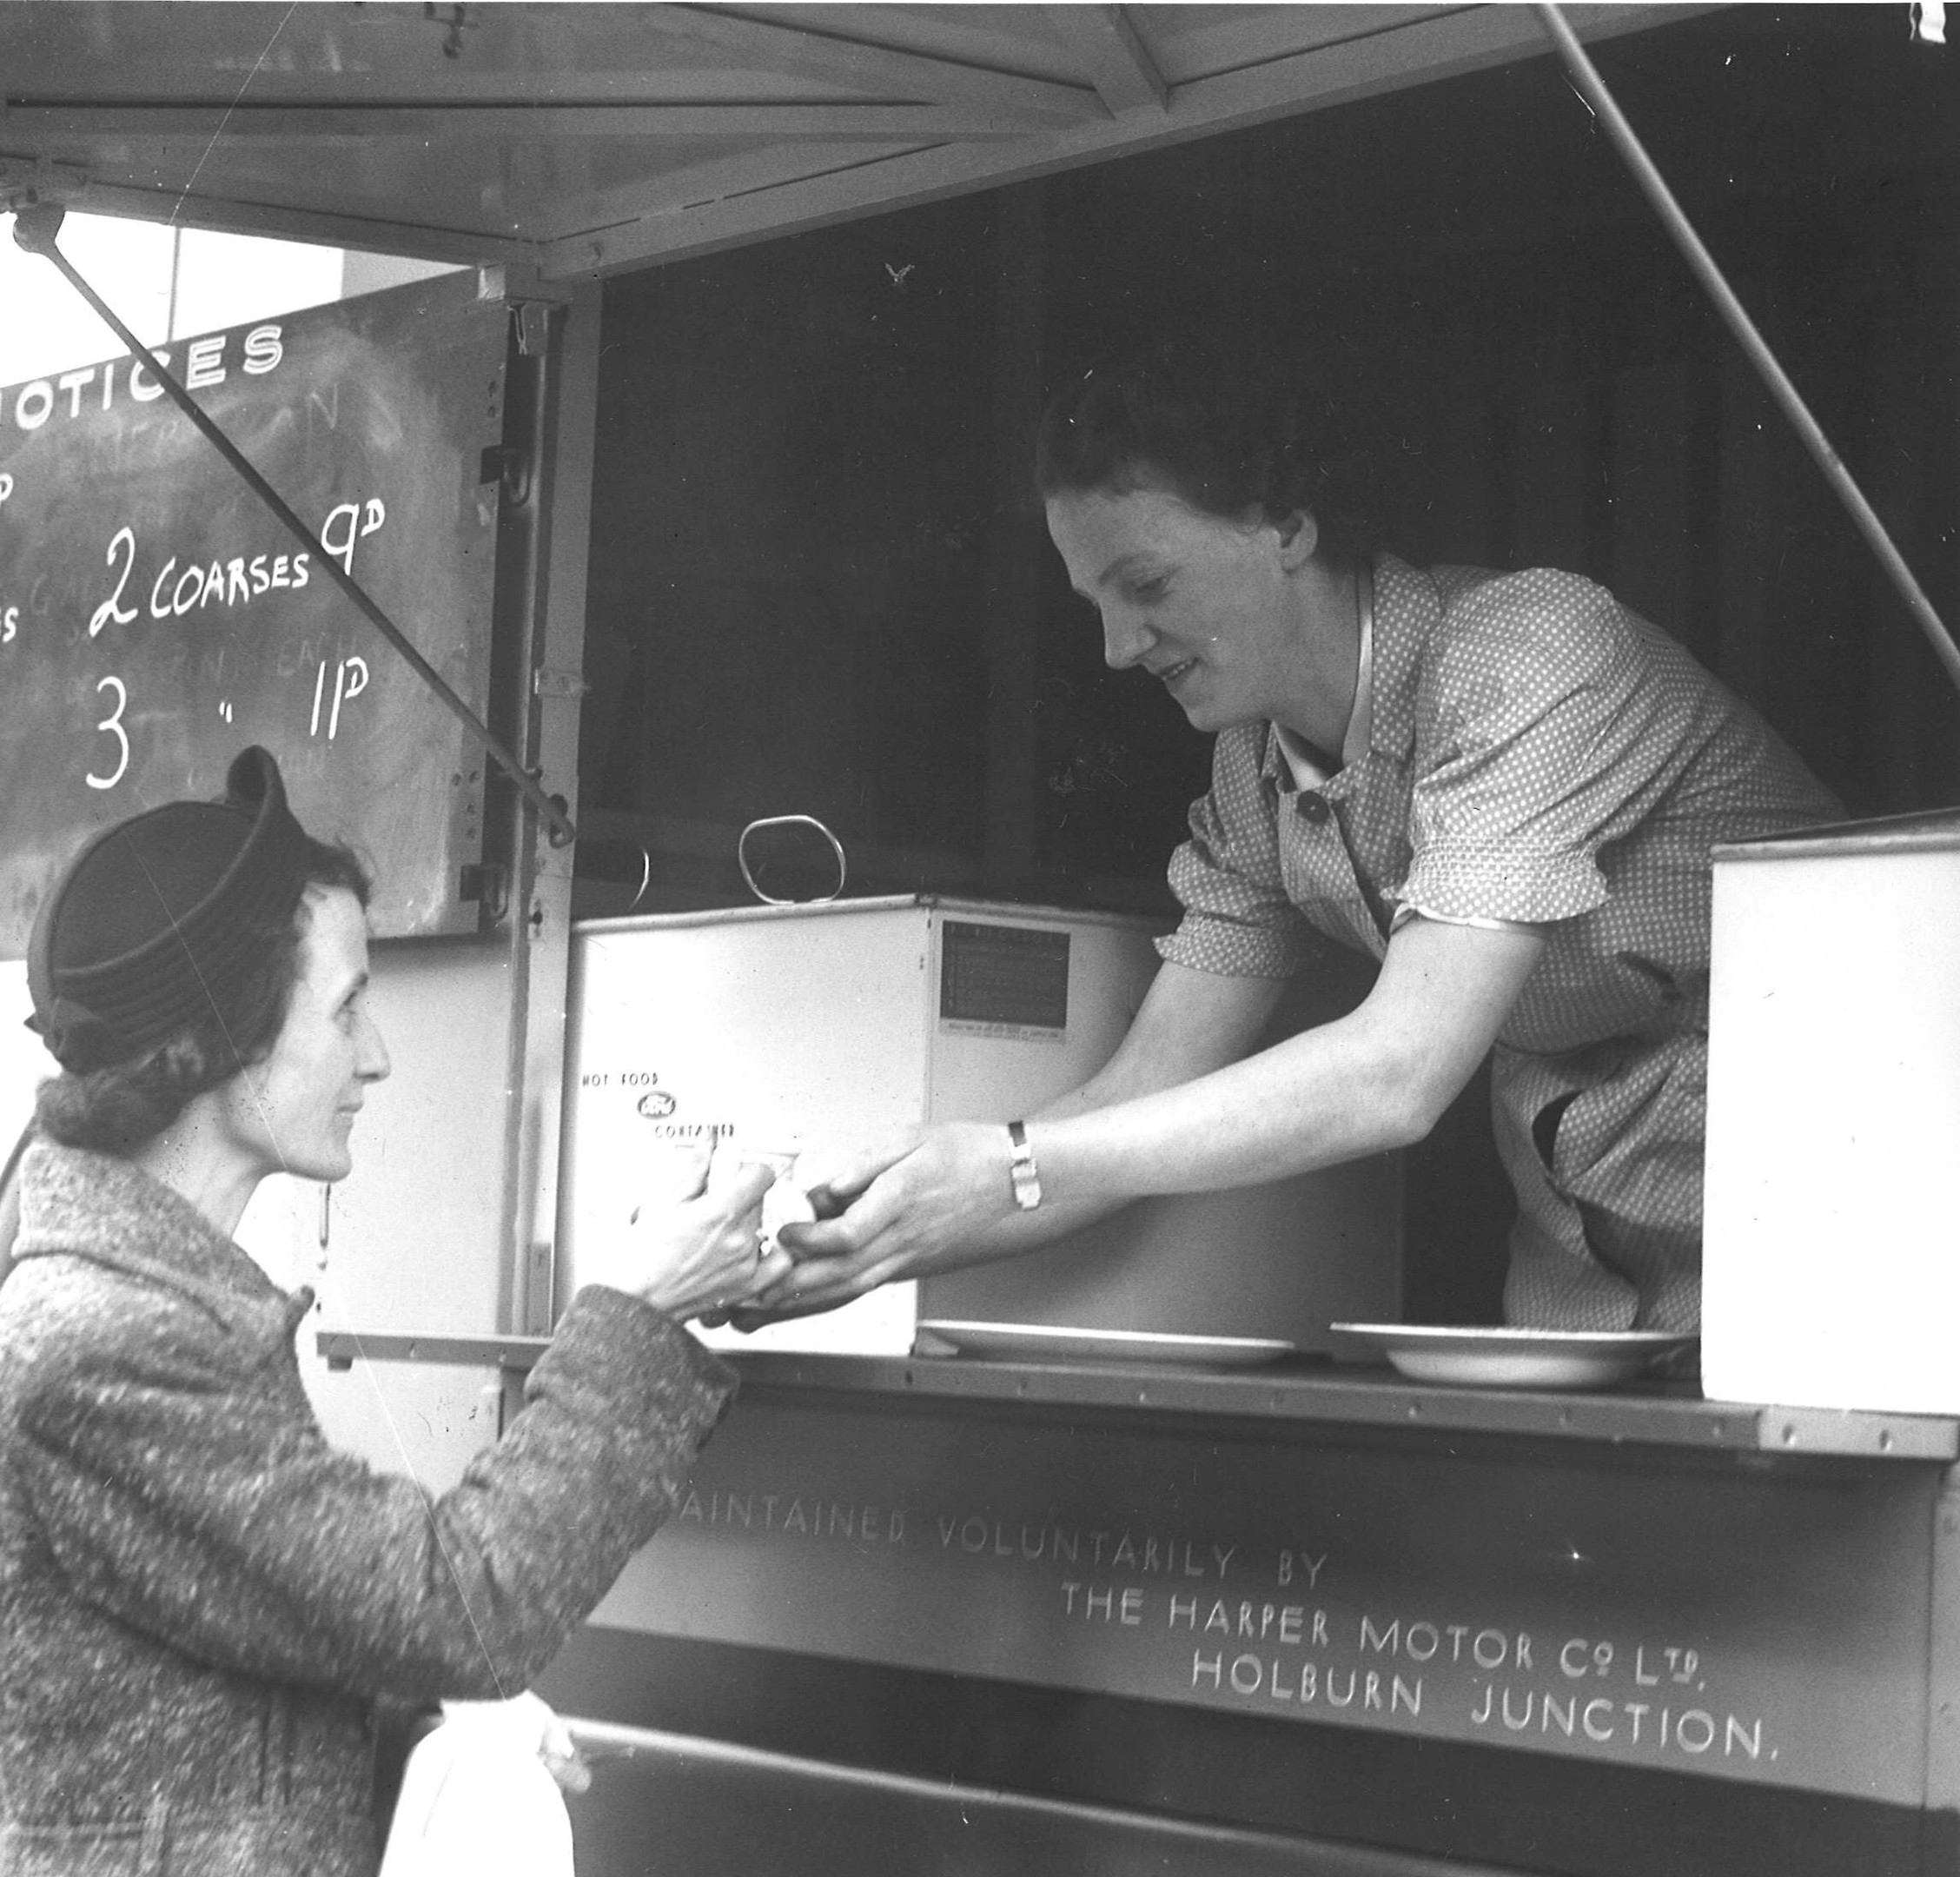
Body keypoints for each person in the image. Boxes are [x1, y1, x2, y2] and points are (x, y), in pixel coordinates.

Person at [768, 340, 1844, 1335]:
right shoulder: (1256, 776)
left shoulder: (1526, 651)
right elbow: (1140, 1096)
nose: (1115, 646)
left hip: (1820, 1210)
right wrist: (873, 1236)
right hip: (1585, 1271)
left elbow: (1398, 1073)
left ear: (1286, 523)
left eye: (1145, 584)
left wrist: (1006, 1165)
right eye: (1092, 600)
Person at [0, 746, 789, 1877]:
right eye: (348, 1006)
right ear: (219, 1036)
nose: (377, 1057)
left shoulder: (129, 1300)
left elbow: (186, 1694)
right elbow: (466, 1606)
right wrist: (638, 1307)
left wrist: (428, 1724)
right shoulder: (110, 1342)